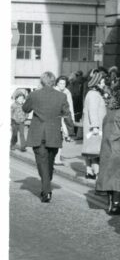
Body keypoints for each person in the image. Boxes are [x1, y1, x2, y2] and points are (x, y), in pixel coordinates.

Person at [22, 72, 75, 202]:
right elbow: (67, 115)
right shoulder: (61, 96)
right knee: (49, 163)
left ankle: (46, 188)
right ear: (53, 82)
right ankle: (46, 189)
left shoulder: (34, 94)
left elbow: (25, 109)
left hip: (37, 134)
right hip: (54, 134)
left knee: (43, 163)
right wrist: (71, 130)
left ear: (42, 81)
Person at [81, 70, 108, 180]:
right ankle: (98, 175)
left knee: (92, 150)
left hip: (92, 127)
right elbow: (93, 111)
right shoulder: (93, 95)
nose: (104, 84)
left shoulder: (93, 94)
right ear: (96, 83)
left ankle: (90, 172)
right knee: (96, 152)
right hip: (95, 128)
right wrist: (95, 127)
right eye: (102, 82)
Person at [54, 75, 75, 166]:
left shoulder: (67, 92)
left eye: (64, 83)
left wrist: (72, 118)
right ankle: (54, 157)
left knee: (61, 137)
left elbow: (70, 105)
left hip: (64, 117)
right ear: (57, 83)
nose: (62, 85)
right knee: (55, 137)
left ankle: (57, 158)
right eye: (60, 83)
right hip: (55, 117)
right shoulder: (54, 91)